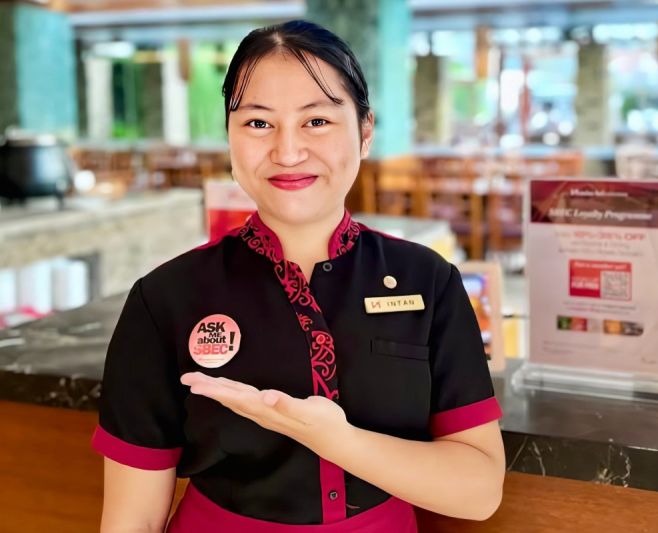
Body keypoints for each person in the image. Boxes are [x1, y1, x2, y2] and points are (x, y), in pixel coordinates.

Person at [91, 19, 505, 532]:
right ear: (230, 137)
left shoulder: (428, 280)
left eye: (317, 121)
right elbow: (131, 518)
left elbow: (479, 492)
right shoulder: (165, 298)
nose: (287, 152)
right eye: (258, 123)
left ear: (365, 132)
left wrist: (337, 440)